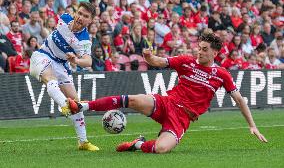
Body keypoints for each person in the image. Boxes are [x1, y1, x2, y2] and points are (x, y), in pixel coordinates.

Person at [67, 32, 268, 154]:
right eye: (199, 48)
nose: (199, 52)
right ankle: (83, 106)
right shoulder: (186, 61)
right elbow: (158, 62)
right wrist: (148, 56)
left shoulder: (222, 74)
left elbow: (239, 99)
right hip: (167, 103)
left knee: (161, 149)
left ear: (215, 53)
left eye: (204, 50)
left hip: (182, 119)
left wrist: (252, 125)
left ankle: (137, 145)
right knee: (134, 99)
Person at [29, 2, 99, 151]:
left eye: (85, 16)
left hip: (61, 65)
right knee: (51, 79)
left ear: (90, 20)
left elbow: (88, 61)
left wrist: (76, 60)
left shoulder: (85, 40)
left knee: (76, 102)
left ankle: (83, 142)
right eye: (79, 13)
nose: (80, 17)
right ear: (75, 12)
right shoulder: (65, 18)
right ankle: (63, 104)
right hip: (43, 55)